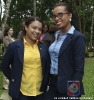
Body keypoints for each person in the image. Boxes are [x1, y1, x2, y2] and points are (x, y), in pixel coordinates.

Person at [43, 2, 86, 100]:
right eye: (54, 16)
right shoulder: (55, 35)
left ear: (70, 15)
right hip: (52, 84)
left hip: (68, 85)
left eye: (60, 15)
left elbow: (79, 68)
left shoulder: (77, 37)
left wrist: (73, 92)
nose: (56, 18)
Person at [1, 16, 50, 100]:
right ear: (26, 27)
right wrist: (14, 78)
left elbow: (47, 67)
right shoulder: (14, 46)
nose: (37, 31)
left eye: (39, 29)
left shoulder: (44, 48)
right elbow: (4, 66)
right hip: (21, 93)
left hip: (40, 93)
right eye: (34, 28)